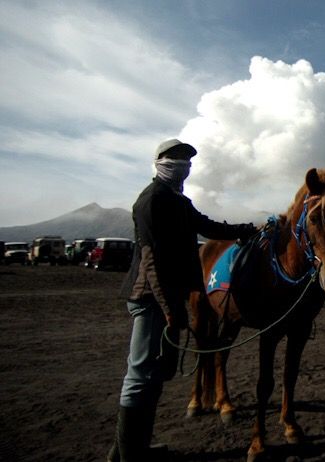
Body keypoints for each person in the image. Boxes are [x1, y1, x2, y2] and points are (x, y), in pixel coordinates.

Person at [107, 139, 256, 461]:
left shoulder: (178, 201)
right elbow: (150, 260)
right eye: (174, 159)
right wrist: (168, 306)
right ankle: (130, 456)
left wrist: (248, 229)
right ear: (159, 162)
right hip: (150, 297)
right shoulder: (151, 201)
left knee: (156, 374)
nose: (182, 165)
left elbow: (207, 226)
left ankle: (133, 449)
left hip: (168, 297)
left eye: (186, 160)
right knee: (140, 375)